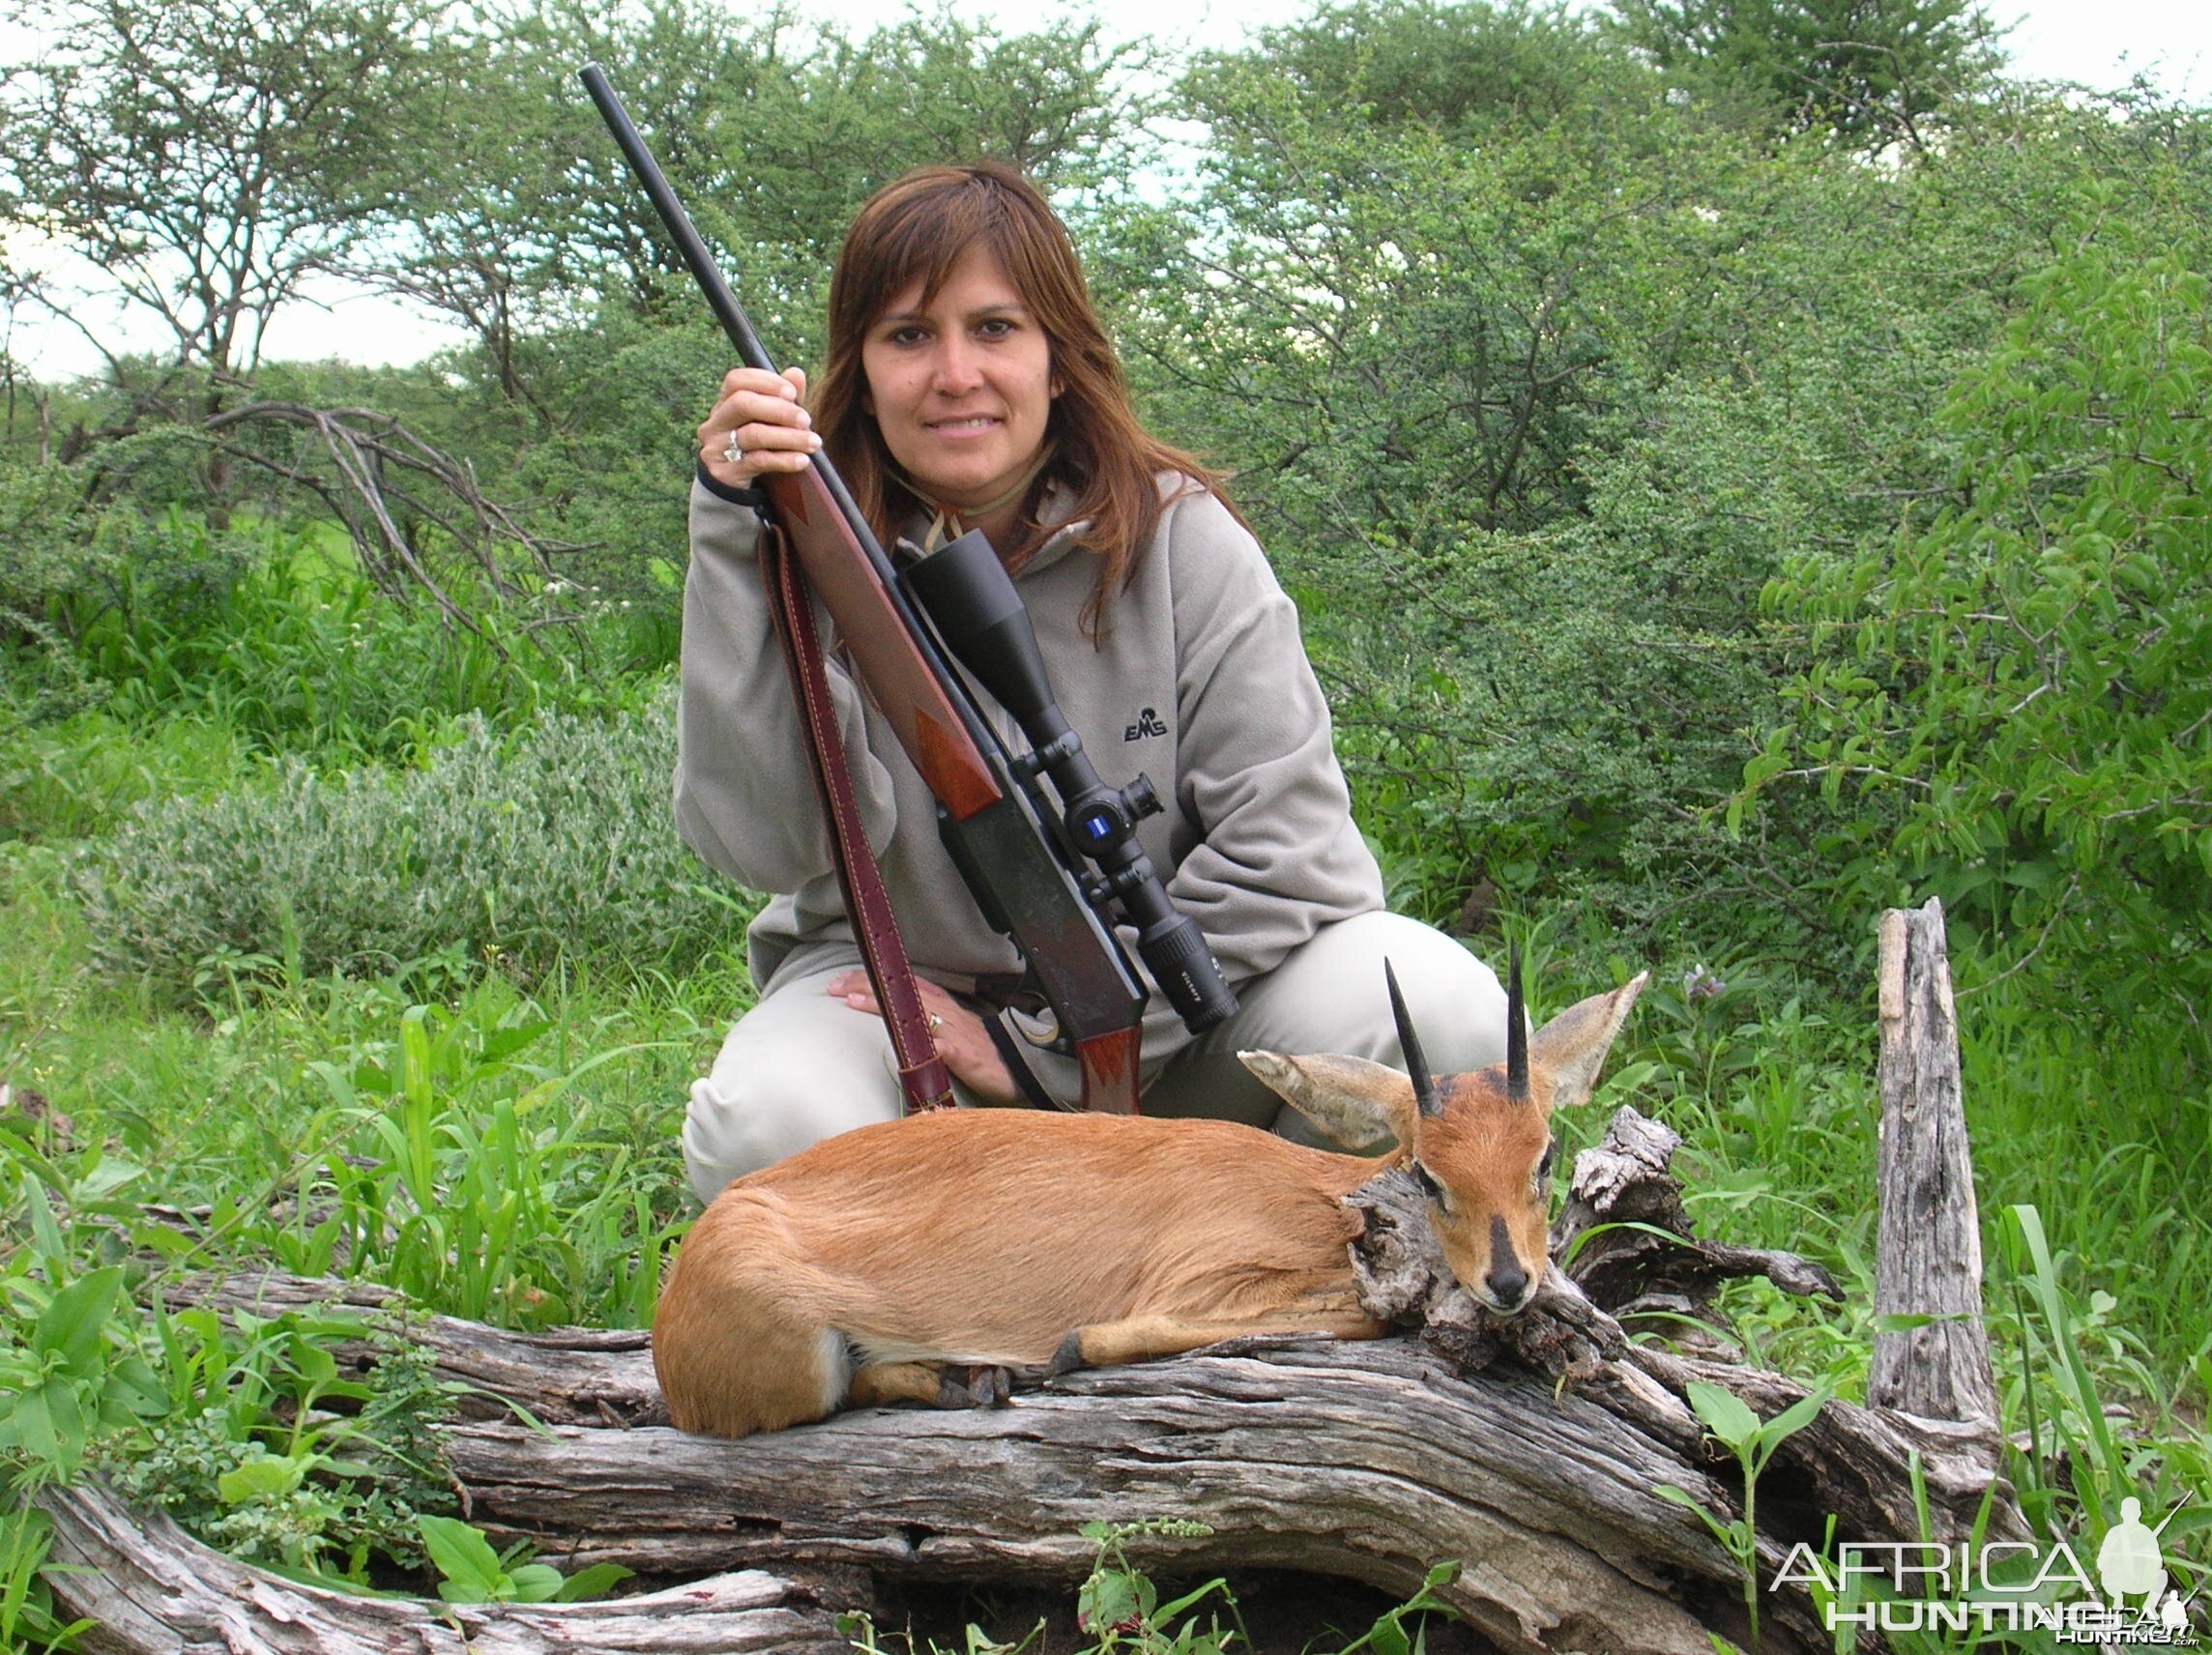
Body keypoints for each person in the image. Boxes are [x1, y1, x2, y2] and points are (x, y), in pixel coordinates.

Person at [676, 160, 1507, 1205]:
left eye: (992, 328)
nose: (953, 374)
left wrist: (1041, 1049)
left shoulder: (1180, 538)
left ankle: (1274, 1314)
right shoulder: (796, 549)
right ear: (860, 368)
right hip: (904, 1017)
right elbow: (761, 844)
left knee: (1437, 1009)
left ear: (1057, 359)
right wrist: (728, 527)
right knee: (770, 1128)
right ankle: (945, 1330)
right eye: (906, 335)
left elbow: (1294, 860)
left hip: (1168, 1034)